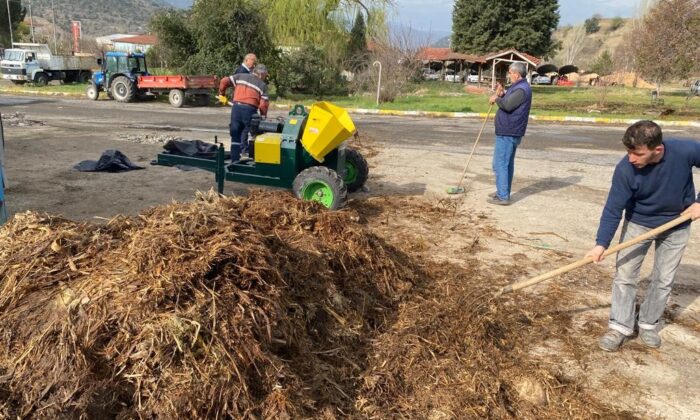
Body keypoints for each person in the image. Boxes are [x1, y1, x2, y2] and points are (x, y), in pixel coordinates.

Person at [585, 120, 700, 352]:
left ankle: (648, 323)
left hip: (677, 225)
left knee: (663, 278)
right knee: (625, 275)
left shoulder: (685, 151)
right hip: (639, 223)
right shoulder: (625, 169)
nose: (630, 158)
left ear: (657, 150)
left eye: (637, 153)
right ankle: (620, 326)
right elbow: (613, 208)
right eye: (628, 151)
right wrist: (601, 244)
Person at [487, 62, 532, 206]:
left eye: (510, 73)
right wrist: (503, 93)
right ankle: (502, 190)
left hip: (509, 131)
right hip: (508, 130)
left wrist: (496, 99)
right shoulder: (518, 87)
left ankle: (503, 195)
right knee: (505, 164)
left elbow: (508, 105)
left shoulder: (522, 89)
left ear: (517, 74)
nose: (509, 75)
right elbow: (509, 99)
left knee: (500, 164)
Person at [217, 64, 269, 161]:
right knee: (255, 133)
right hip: (250, 110)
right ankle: (256, 158)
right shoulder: (262, 85)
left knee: (235, 133)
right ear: (261, 74)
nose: (265, 78)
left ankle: (234, 160)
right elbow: (263, 105)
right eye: (265, 76)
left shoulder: (240, 76)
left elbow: (224, 81)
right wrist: (263, 117)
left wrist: (221, 94)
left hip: (236, 108)